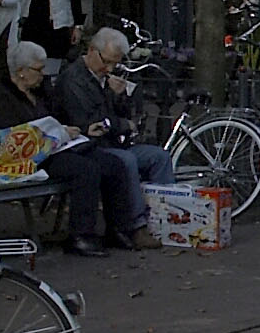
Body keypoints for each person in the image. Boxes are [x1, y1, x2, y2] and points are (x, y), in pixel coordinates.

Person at [0, 39, 145, 256]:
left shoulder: (41, 91)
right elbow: (10, 137)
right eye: (38, 69)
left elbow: (58, 116)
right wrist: (54, 133)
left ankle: (117, 228)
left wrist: (77, 129)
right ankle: (80, 235)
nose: (43, 74)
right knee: (85, 170)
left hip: (56, 146)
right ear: (21, 71)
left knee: (113, 164)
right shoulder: (2, 97)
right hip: (30, 157)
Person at [58, 26, 179, 205]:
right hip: (89, 147)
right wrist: (122, 122)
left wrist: (121, 96)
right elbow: (93, 122)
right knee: (126, 160)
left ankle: (166, 213)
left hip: (113, 142)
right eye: (106, 62)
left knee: (159, 157)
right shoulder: (73, 80)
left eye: (115, 63)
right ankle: (134, 222)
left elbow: (124, 114)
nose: (109, 69)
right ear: (92, 50)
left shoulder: (106, 77)